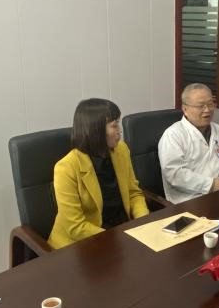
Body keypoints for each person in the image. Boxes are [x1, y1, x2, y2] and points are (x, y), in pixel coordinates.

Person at [49, 98, 149, 248]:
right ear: (95, 131)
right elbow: (75, 227)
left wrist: (144, 223)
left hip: (121, 232)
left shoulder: (121, 150)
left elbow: (133, 193)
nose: (120, 130)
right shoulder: (66, 168)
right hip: (82, 244)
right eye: (114, 125)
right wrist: (118, 238)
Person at [158, 83, 219, 203]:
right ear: (185, 109)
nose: (207, 110)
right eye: (201, 106)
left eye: (210, 104)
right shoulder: (173, 135)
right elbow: (175, 174)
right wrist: (211, 185)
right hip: (188, 202)